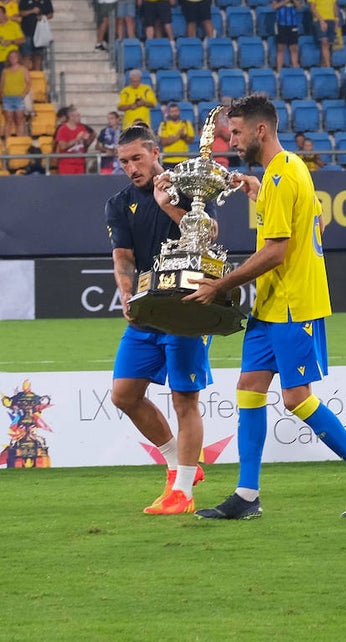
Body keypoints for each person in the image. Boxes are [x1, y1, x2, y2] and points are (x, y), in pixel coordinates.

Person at [188, 95, 346, 520]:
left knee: (296, 398)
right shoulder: (285, 170)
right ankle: (246, 495)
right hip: (272, 304)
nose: (232, 139)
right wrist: (256, 191)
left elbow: (277, 251)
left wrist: (220, 285)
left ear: (260, 131)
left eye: (238, 131)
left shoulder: (282, 176)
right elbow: (303, 222)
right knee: (249, 387)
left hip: (295, 303)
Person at [103, 122, 214, 513]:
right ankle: (178, 464)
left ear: (155, 153)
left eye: (137, 158)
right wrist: (126, 293)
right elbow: (124, 255)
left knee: (185, 399)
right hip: (147, 312)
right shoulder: (118, 203)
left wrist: (165, 200)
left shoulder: (189, 188)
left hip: (186, 308)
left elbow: (208, 235)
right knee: (124, 394)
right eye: (124, 162)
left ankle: (182, 491)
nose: (131, 167)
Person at [17, 0, 51, 71]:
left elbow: (51, 14)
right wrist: (32, 11)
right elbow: (21, 13)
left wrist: (43, 17)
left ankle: (37, 78)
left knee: (38, 57)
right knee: (26, 57)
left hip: (40, 34)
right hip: (27, 32)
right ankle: (25, 77)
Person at [271, 0, 302, 71]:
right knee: (281, 47)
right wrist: (287, 0)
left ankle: (295, 68)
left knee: (293, 47)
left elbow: (299, 7)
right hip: (281, 22)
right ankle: (279, 70)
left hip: (292, 23)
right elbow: (274, 6)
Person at [307, 0, 338, 68]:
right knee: (324, 42)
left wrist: (337, 18)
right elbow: (312, 7)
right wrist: (321, 20)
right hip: (320, 20)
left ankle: (323, 65)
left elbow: (334, 4)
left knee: (329, 44)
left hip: (331, 19)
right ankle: (329, 66)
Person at [157, 102, 195, 168]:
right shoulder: (164, 125)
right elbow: (163, 142)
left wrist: (184, 136)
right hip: (168, 160)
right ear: (168, 113)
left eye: (176, 111)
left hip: (183, 159)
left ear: (179, 111)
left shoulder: (186, 123)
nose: (174, 113)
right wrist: (178, 135)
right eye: (172, 111)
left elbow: (191, 140)